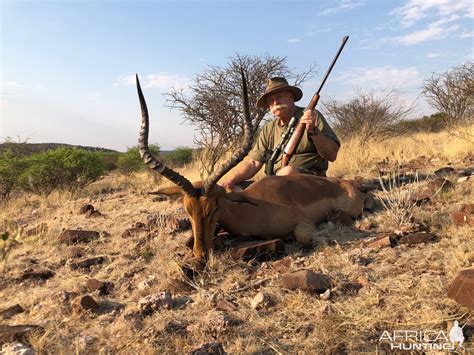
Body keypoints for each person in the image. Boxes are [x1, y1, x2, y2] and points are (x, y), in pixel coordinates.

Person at [220, 77, 340, 191]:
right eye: (271, 100)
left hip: (310, 184)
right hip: (275, 184)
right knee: (232, 188)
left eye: (279, 97)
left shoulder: (311, 116)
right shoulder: (268, 129)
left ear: (291, 97)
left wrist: (313, 130)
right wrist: (229, 181)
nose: (275, 102)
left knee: (287, 172)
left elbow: (331, 155)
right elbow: (253, 162)